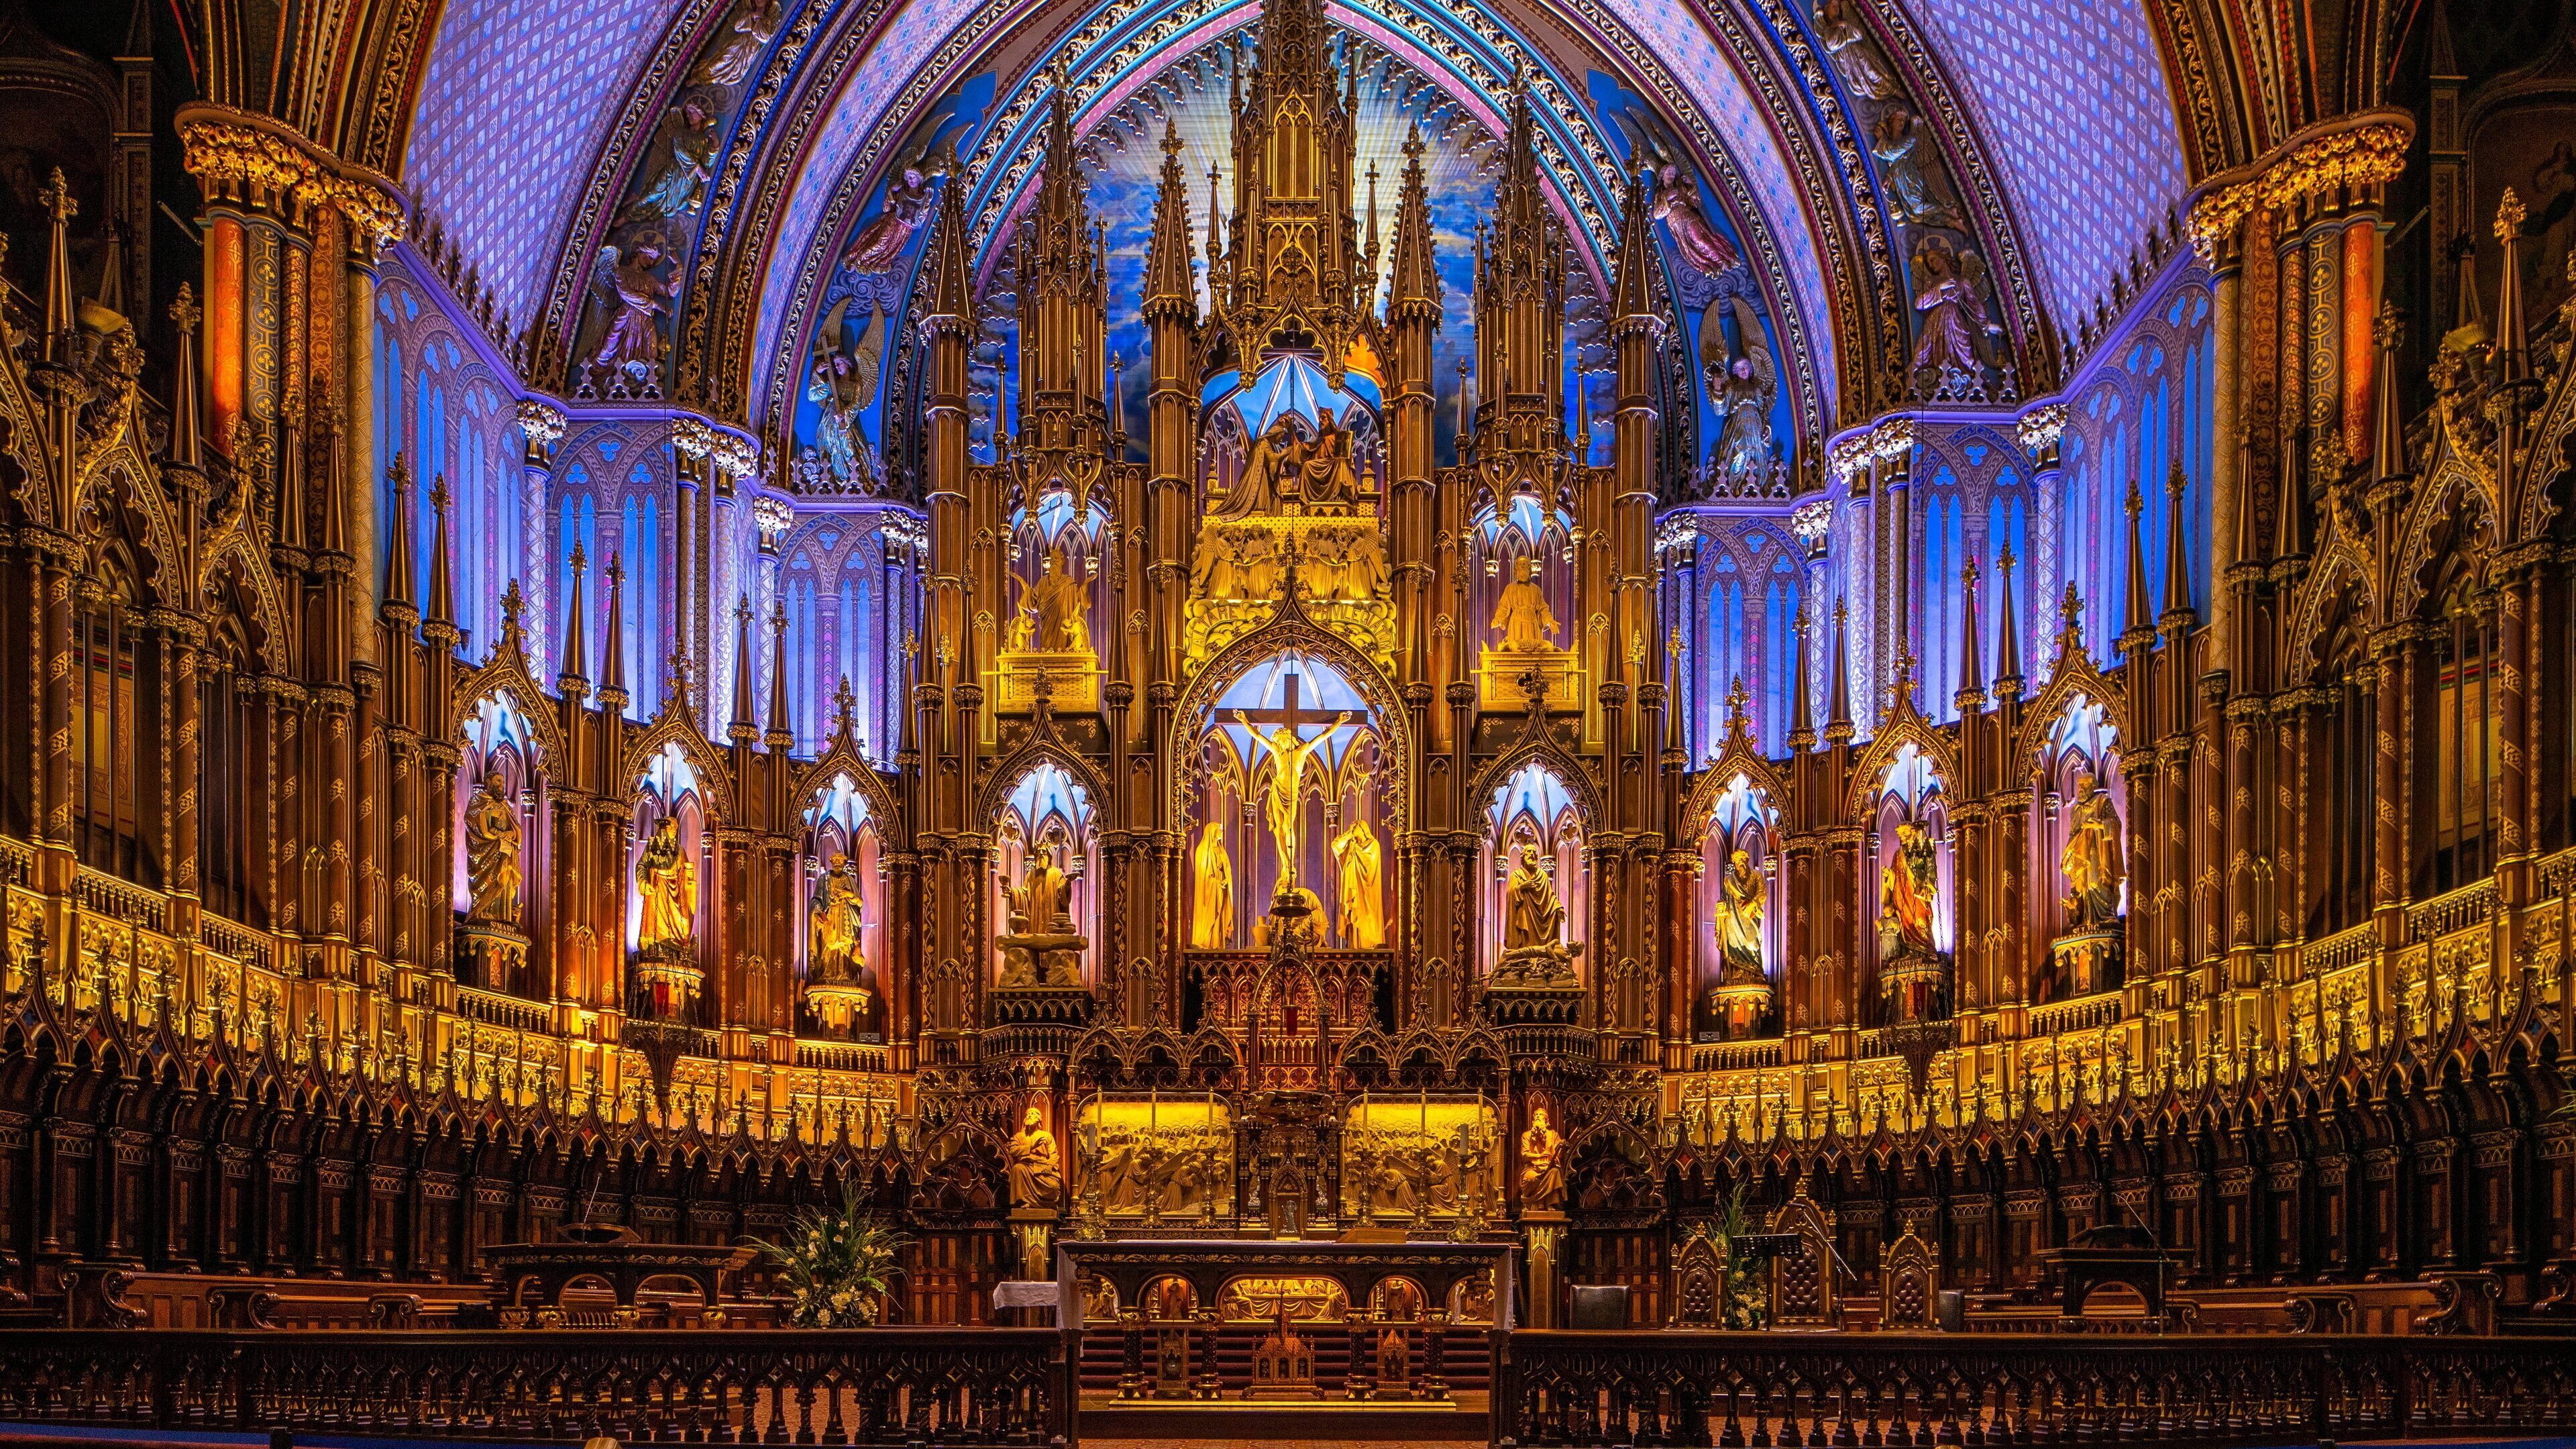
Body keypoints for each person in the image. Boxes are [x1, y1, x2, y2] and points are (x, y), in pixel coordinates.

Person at [1005, 1106, 1063, 1210]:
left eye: (1033, 1114)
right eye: (1028, 1115)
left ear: (1039, 1119)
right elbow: (1012, 1151)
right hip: (1026, 1166)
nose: (1030, 1116)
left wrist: (1050, 1166)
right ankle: (1027, 1201)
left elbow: (1054, 1154)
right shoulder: (1020, 1136)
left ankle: (1045, 1202)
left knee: (1054, 1187)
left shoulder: (1046, 1136)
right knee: (1017, 1169)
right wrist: (1031, 1147)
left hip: (1043, 1168)